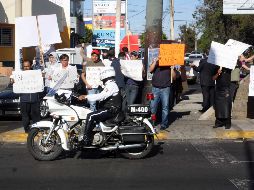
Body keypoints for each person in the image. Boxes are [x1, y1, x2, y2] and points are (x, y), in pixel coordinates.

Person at [78, 67, 121, 146]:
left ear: (105, 75)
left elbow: (101, 96)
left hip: (111, 110)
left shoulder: (111, 85)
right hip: (109, 108)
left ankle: (86, 139)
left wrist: (86, 96)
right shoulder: (110, 84)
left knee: (91, 116)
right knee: (89, 112)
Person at [149, 57, 175, 130]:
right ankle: (152, 122)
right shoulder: (156, 62)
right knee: (153, 107)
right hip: (155, 88)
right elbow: (150, 70)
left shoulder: (170, 63)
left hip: (165, 88)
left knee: (165, 107)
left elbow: (174, 77)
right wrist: (155, 61)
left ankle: (164, 124)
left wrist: (172, 68)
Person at [19, 60, 41, 133]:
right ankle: (27, 129)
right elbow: (14, 81)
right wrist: (13, 80)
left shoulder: (36, 73)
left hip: (35, 98)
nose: (26, 68)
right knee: (25, 116)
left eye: (27, 66)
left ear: (31, 66)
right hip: (24, 99)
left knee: (36, 115)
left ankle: (36, 129)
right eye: (24, 66)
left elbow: (40, 82)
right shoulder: (20, 74)